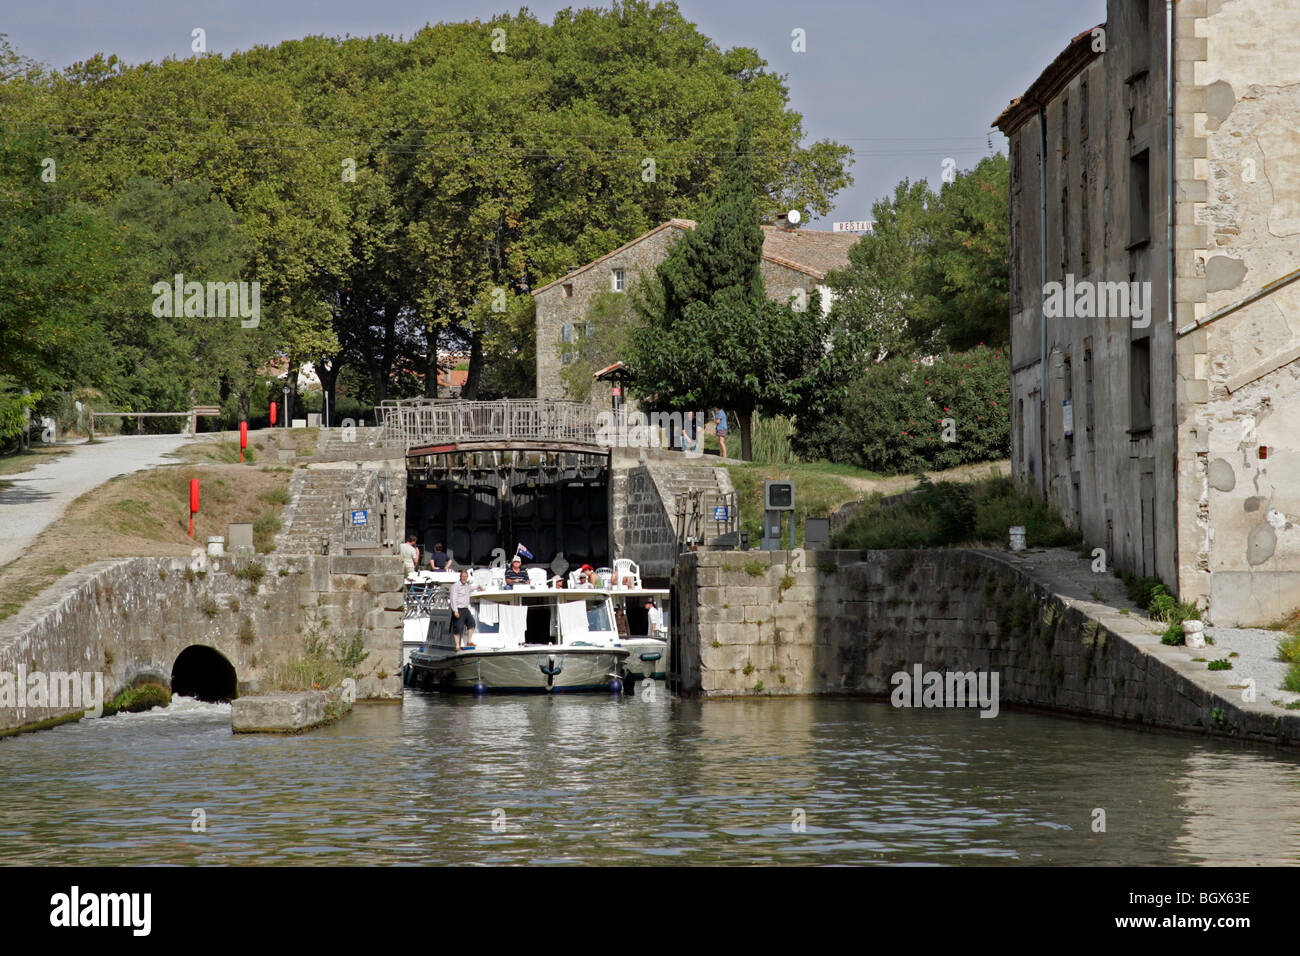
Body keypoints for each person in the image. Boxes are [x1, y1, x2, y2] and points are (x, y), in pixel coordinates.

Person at [449, 569, 475, 651]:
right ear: (460, 577)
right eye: (463, 576)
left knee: (472, 624)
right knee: (458, 628)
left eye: (465, 577)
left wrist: (478, 587)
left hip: (466, 609)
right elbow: (453, 599)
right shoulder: (455, 586)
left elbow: (470, 589)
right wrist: (455, 610)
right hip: (458, 609)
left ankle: (469, 641)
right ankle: (457, 646)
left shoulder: (466, 585)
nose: (464, 578)